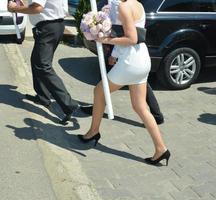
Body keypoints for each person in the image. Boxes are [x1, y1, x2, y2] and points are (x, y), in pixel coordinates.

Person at [78, 0, 170, 166]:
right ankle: (161, 149)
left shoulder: (124, 6)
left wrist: (106, 40)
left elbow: (132, 38)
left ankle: (93, 131)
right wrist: (115, 52)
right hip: (142, 60)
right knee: (140, 107)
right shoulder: (137, 4)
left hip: (130, 63)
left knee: (99, 92)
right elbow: (133, 33)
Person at [8, 0, 78, 124]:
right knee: (37, 61)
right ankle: (43, 97)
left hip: (48, 27)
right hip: (54, 26)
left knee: (42, 65)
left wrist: (15, 8)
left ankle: (68, 105)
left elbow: (37, 8)